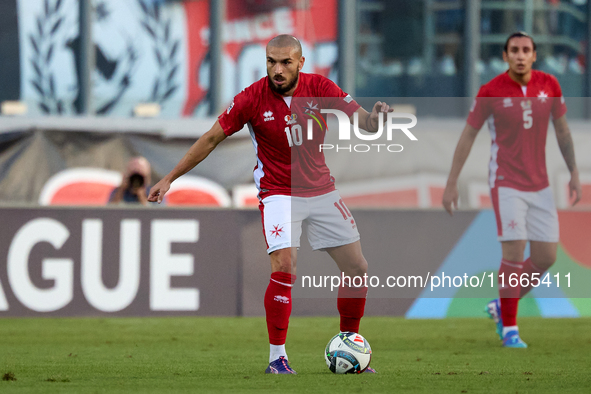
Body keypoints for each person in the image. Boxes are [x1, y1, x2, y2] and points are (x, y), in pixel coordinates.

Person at [149, 35, 390, 373]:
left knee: (357, 268)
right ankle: (277, 358)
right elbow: (211, 138)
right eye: (271, 62)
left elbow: (363, 121)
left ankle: (349, 347)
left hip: (321, 190)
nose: (277, 70)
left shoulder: (319, 87)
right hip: (278, 192)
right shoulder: (250, 98)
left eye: (285, 63)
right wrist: (169, 178)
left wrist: (377, 117)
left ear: (301, 63)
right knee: (285, 264)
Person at [442, 32, 581, 348]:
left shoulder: (550, 86)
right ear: (505, 56)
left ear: (534, 55)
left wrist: (573, 172)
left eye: (526, 50)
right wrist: (452, 182)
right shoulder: (491, 91)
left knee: (546, 257)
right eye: (514, 50)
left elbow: (563, 131)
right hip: (506, 183)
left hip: (541, 184)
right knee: (514, 252)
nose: (520, 55)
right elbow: (468, 136)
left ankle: (500, 305)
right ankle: (510, 330)